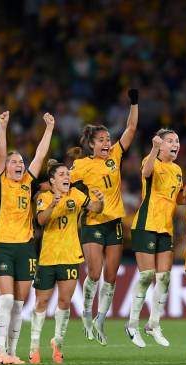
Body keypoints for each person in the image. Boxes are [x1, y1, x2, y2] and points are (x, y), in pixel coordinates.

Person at [69, 89, 138, 346]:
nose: (106, 142)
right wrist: (84, 200)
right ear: (91, 144)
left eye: (108, 138)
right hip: (93, 221)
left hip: (114, 222)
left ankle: (100, 318)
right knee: (95, 272)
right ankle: (86, 313)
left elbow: (131, 128)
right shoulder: (81, 165)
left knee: (111, 275)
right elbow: (65, 184)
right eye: (101, 139)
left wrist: (134, 102)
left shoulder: (115, 157)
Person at [0, 111, 54, 364]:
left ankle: (12, 352)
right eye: (13, 161)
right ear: (5, 167)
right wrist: (3, 127)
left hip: (26, 248)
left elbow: (40, 155)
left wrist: (48, 128)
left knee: (18, 304)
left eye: (20, 162)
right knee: (5, 300)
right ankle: (0, 350)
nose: (19, 164)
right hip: (3, 247)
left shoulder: (27, 181)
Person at [125, 129, 186, 348]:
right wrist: (154, 148)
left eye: (177, 140)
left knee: (164, 278)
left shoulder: (177, 169)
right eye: (170, 141)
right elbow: (146, 173)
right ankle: (131, 324)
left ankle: (154, 324)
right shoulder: (151, 161)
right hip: (146, 225)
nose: (175, 144)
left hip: (165, 228)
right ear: (161, 144)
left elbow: (176, 199)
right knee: (147, 276)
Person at [29, 160, 104, 364]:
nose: (67, 177)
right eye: (61, 174)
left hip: (71, 256)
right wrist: (53, 203)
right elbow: (41, 220)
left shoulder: (77, 195)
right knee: (41, 302)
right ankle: (34, 347)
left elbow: (95, 208)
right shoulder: (44, 198)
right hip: (48, 257)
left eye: (67, 174)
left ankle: (58, 345)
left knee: (64, 301)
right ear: (52, 180)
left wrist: (101, 201)